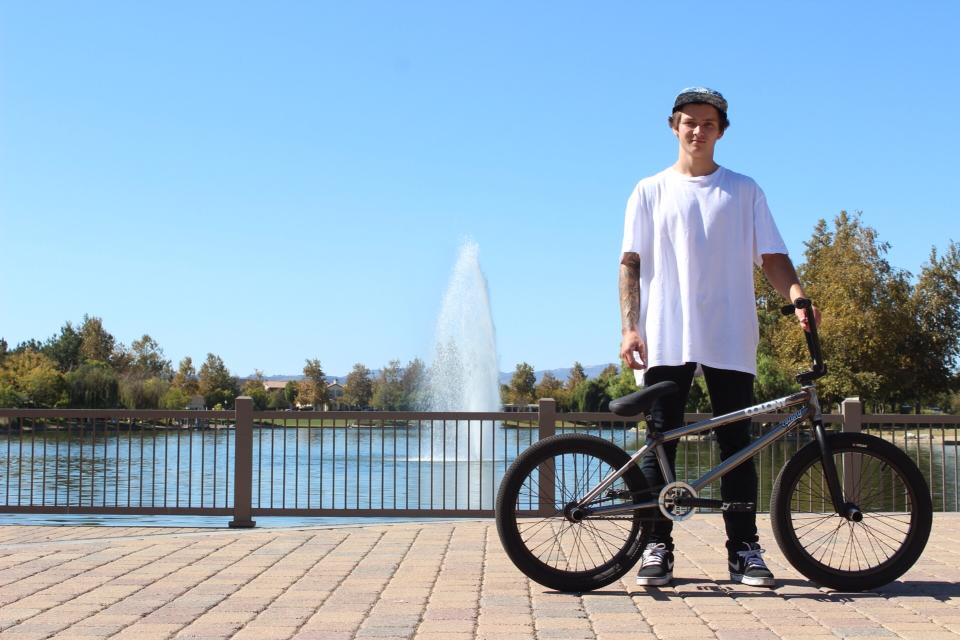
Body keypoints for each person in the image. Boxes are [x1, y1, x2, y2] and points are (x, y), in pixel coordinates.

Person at [618, 87, 820, 588]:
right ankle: (656, 546)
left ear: (721, 131)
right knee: (661, 441)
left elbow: (771, 256)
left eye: (708, 123)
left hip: (730, 330)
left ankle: (744, 550)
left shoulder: (744, 190)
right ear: (674, 126)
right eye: (689, 121)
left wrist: (798, 295)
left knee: (737, 445)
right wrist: (630, 326)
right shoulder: (649, 190)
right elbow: (631, 262)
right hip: (666, 331)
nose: (697, 130)